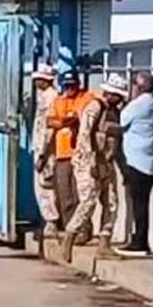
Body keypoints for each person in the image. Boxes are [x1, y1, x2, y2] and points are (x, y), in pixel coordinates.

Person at [61, 74, 127, 263]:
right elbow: (84, 135)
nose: (119, 99)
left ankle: (104, 243)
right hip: (88, 162)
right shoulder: (95, 107)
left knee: (111, 202)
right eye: (117, 95)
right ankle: (70, 234)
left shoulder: (115, 113)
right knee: (88, 201)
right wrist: (91, 163)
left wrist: (122, 167)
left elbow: (116, 143)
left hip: (106, 163)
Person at [118, 71, 153, 254]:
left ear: (139, 87)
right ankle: (140, 237)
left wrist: (130, 100)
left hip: (136, 161)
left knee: (138, 203)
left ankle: (139, 241)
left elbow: (122, 120)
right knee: (142, 202)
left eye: (133, 84)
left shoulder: (138, 105)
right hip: (152, 162)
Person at [47, 70, 94, 236]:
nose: (70, 89)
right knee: (65, 194)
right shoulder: (58, 101)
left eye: (73, 85)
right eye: (67, 86)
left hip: (81, 154)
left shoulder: (86, 98)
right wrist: (65, 122)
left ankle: (84, 229)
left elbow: (82, 117)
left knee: (81, 195)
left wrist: (71, 120)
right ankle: (70, 230)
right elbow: (50, 121)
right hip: (62, 154)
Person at [31, 64, 60, 238]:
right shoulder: (44, 97)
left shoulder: (51, 98)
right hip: (42, 147)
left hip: (47, 150)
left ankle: (51, 222)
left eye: (38, 79)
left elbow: (49, 128)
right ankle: (49, 221)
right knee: (43, 186)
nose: (35, 82)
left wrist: (43, 153)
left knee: (45, 186)